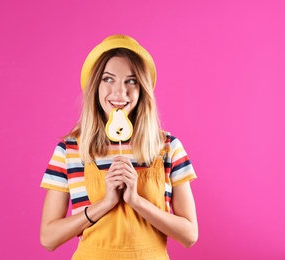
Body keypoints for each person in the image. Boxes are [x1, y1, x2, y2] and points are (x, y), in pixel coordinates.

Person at [40, 34, 198, 259]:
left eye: (131, 80)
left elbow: (189, 235)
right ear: (95, 85)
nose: (119, 92)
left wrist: (136, 201)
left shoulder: (167, 147)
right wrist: (106, 203)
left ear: (142, 88)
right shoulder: (70, 150)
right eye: (108, 79)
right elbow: (48, 238)